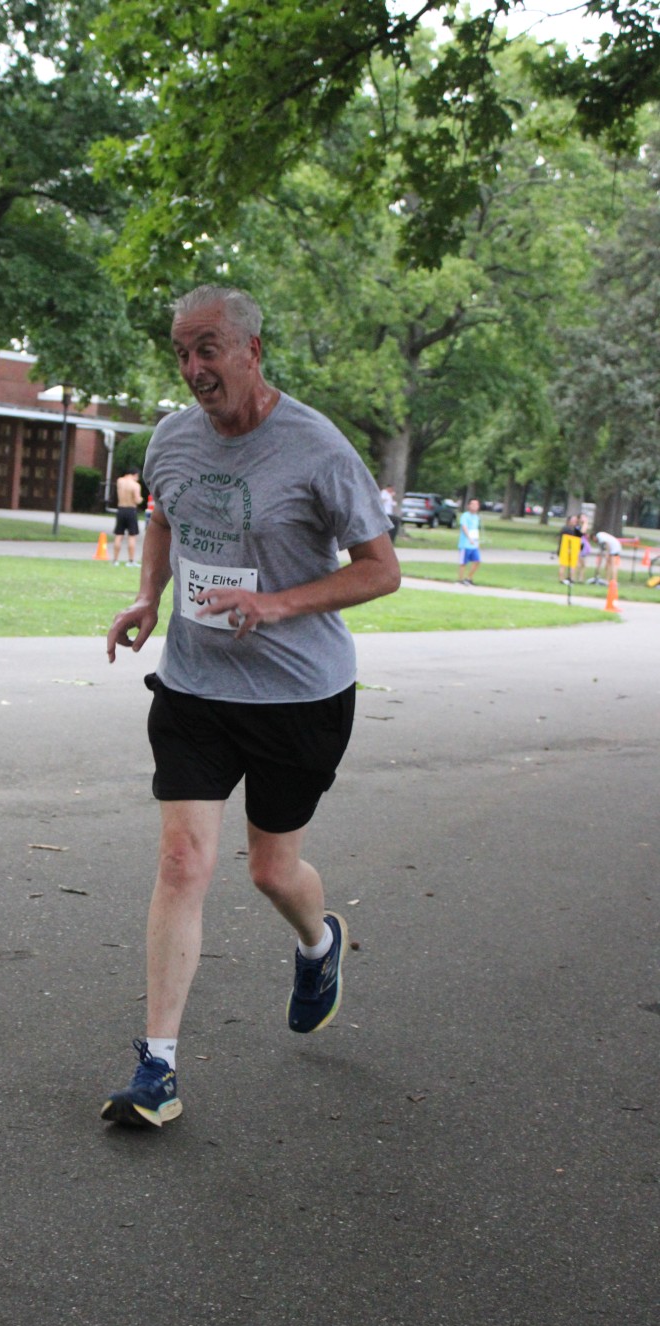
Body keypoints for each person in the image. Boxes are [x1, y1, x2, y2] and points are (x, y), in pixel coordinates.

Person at [101, 285, 400, 1128]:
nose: (193, 368)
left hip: (297, 695)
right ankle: (157, 1069)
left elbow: (381, 570)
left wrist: (277, 603)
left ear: (252, 351)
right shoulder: (171, 438)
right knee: (181, 861)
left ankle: (318, 942)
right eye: (182, 352)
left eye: (208, 349)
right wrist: (149, 596)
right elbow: (164, 516)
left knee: (270, 870)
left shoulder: (317, 448)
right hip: (195, 685)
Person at [112, 468, 143, 565]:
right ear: (135, 475)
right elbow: (137, 500)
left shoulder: (120, 481)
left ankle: (115, 560)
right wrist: (141, 499)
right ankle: (131, 561)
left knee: (118, 535)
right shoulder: (135, 485)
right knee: (132, 536)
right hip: (131, 510)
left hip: (121, 509)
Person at [457, 498, 481, 585]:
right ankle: (460, 580)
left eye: (476, 504)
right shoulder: (465, 516)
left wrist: (477, 542)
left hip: (474, 544)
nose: (474, 506)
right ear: (468, 506)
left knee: (477, 561)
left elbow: (475, 530)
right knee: (463, 562)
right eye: (472, 504)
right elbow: (464, 527)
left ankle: (469, 578)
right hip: (465, 544)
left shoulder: (477, 517)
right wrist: (469, 538)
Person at [558, 514, 583, 584]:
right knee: (563, 565)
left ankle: (571, 578)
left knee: (573, 565)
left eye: (576, 520)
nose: (575, 521)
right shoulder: (566, 529)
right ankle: (561, 579)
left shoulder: (576, 529)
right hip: (565, 549)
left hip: (573, 550)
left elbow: (580, 536)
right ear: (569, 521)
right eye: (573, 520)